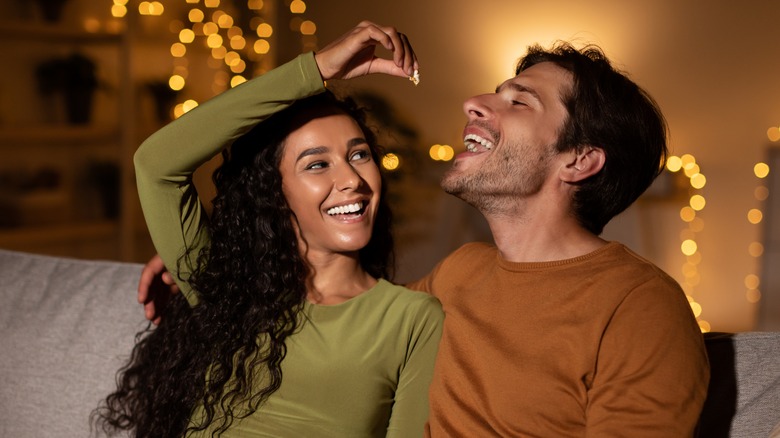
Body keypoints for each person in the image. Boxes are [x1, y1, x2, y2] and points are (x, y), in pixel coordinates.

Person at [137, 23, 710, 437]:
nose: (475, 104)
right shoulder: (458, 276)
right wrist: (230, 255)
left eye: (519, 101)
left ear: (580, 160)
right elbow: (336, 320)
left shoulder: (640, 306)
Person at [94, 22, 443, 437]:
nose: (352, 179)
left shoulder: (411, 318)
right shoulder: (228, 289)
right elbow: (156, 165)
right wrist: (315, 69)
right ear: (273, 192)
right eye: (317, 164)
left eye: (359, 155)